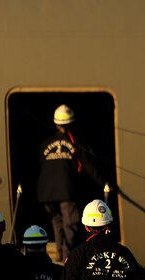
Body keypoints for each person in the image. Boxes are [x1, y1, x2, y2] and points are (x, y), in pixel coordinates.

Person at [36, 104, 110, 262]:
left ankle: (58, 252)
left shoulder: (45, 144)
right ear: (72, 123)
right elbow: (89, 167)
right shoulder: (76, 143)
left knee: (57, 223)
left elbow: (42, 164)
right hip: (65, 192)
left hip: (45, 194)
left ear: (56, 123)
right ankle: (67, 259)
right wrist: (105, 183)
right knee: (71, 225)